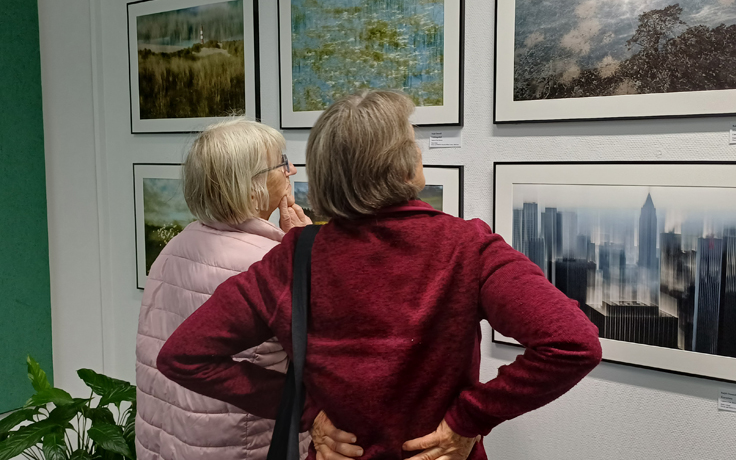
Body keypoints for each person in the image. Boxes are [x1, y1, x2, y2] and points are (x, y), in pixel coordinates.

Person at [156, 91, 603, 460]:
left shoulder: (296, 256)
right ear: (404, 164)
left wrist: (308, 409)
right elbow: (574, 342)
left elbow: (182, 356)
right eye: (412, 142)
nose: (419, 149)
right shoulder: (467, 248)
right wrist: (468, 419)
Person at [135, 118, 361, 460]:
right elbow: (336, 347)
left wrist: (294, 247)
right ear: (252, 185)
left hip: (171, 439)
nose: (293, 170)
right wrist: (302, 253)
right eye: (282, 163)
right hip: (242, 445)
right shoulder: (267, 261)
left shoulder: (176, 246)